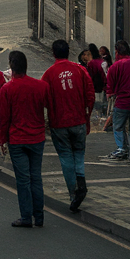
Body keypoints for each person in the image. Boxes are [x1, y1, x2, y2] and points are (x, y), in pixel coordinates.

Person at [0, 50, 49, 227]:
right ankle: (39, 216)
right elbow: (49, 108)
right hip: (37, 137)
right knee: (36, 177)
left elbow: (2, 118)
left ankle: (26, 216)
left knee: (23, 180)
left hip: (17, 140)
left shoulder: (7, 89)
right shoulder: (41, 86)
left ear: (11, 66)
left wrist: (1, 140)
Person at [42, 39, 95, 211]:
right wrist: (87, 116)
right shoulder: (79, 70)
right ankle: (81, 182)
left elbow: (44, 99)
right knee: (79, 154)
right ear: (69, 51)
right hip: (78, 120)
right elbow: (90, 95)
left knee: (65, 157)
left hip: (59, 123)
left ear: (53, 53)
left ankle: (74, 192)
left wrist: (48, 119)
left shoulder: (49, 74)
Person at [106, 39, 130, 165]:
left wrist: (110, 95)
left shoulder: (115, 66)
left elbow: (110, 88)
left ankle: (122, 149)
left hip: (123, 102)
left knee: (118, 126)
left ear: (117, 52)